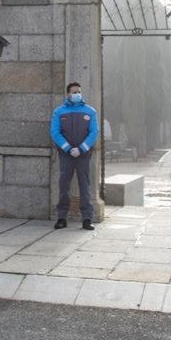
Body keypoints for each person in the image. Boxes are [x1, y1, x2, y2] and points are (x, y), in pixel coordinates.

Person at [50, 82, 99, 230]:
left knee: (85, 186)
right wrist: (68, 148)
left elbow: (94, 132)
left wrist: (82, 148)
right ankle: (62, 218)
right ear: (68, 94)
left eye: (79, 91)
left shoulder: (90, 111)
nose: (77, 94)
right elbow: (55, 132)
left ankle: (87, 219)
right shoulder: (59, 112)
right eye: (74, 92)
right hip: (66, 155)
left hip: (83, 155)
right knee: (64, 185)